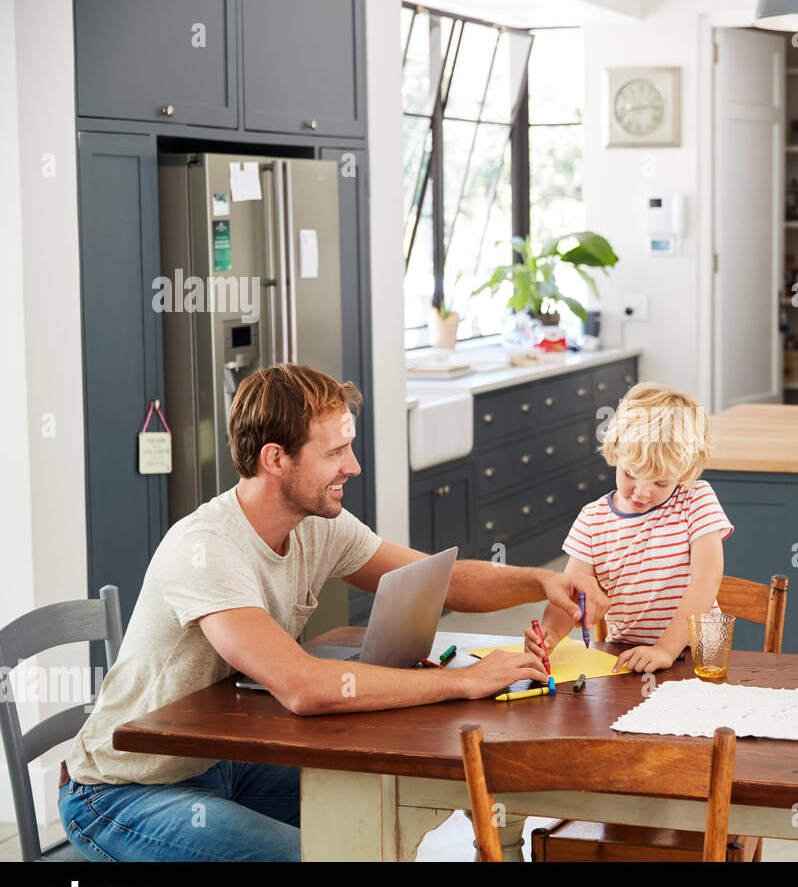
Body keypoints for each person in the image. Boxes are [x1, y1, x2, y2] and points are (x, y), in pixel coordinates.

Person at [59, 363, 607, 861]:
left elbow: (445, 582)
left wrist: (542, 579)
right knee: (324, 857)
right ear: (276, 458)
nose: (354, 465)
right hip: (126, 790)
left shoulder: (317, 525)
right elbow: (304, 687)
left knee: (385, 796)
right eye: (334, 453)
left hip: (224, 763)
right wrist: (465, 683)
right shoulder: (207, 549)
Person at [526, 383, 733, 674]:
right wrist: (548, 634)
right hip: (628, 658)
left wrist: (665, 649)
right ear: (615, 452)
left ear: (684, 473)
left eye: (661, 483)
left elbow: (707, 577)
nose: (641, 492)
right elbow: (572, 593)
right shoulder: (592, 520)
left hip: (696, 653)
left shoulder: (695, 500)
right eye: (631, 474)